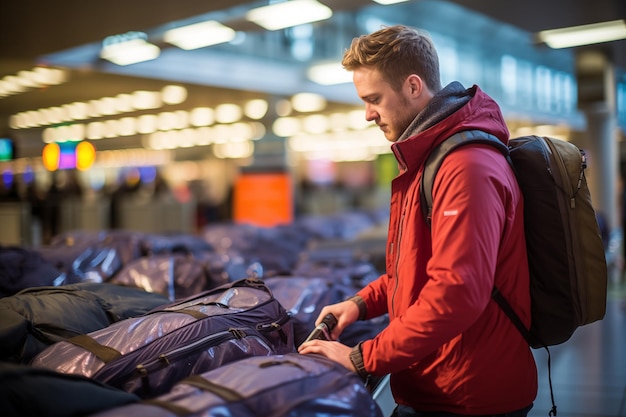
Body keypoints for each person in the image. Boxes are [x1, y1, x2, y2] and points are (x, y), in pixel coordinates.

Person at [298, 25, 537, 417]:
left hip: (470, 395)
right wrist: (359, 304)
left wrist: (361, 358)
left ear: (412, 86)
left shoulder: (465, 167)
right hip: (436, 383)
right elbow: (415, 270)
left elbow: (457, 294)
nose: (367, 115)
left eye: (374, 99)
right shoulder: (429, 159)